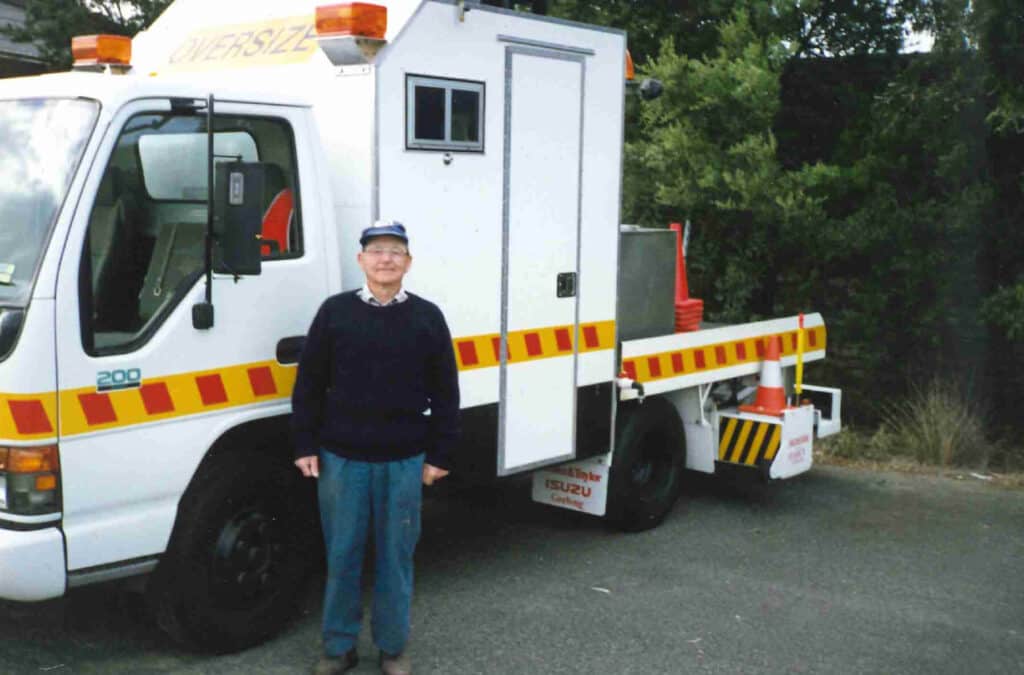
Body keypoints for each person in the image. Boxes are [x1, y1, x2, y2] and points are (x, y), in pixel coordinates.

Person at [292, 221, 460, 675]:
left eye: (396, 251)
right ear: (361, 259)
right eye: (377, 250)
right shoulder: (334, 313)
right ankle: (338, 647)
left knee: (395, 559)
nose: (386, 259)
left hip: (404, 461)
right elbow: (308, 384)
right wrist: (305, 444)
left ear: (408, 261)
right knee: (342, 555)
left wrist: (440, 455)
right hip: (341, 460)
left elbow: (446, 390)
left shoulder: (427, 317)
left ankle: (392, 648)